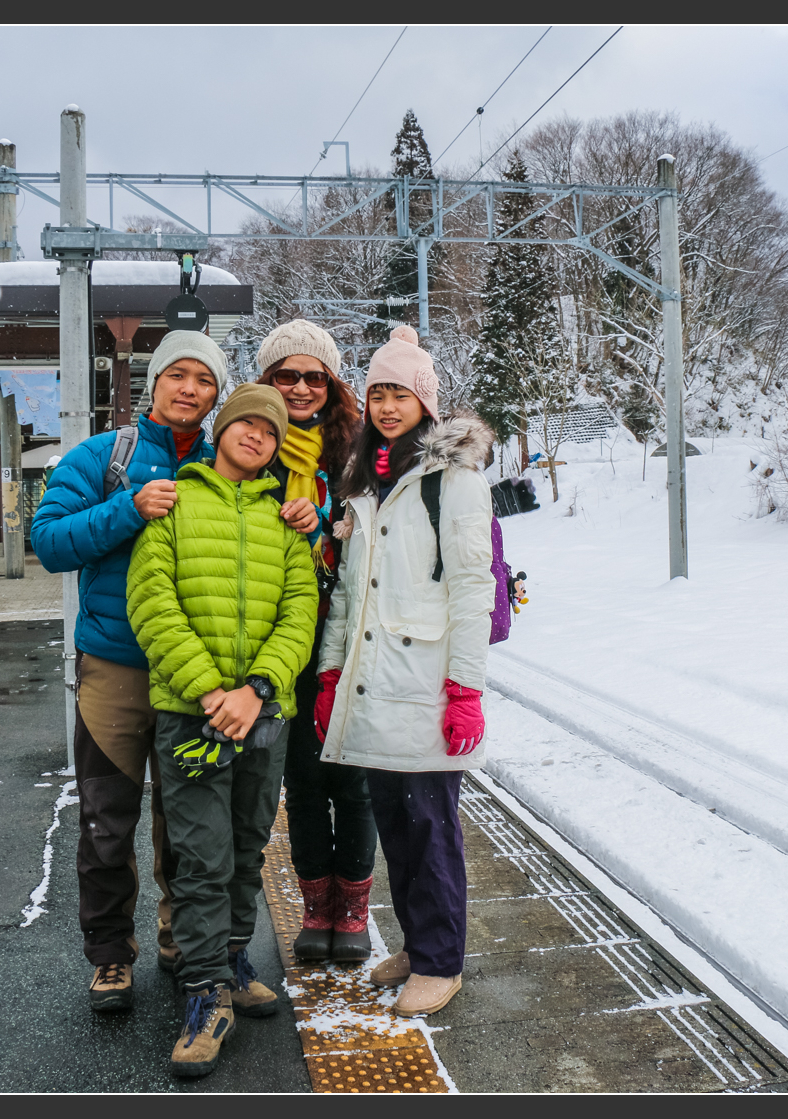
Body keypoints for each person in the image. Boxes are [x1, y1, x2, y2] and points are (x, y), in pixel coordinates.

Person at [31, 331, 319, 1013]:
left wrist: (311, 517)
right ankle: (109, 954)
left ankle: (184, 942)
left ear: (219, 400)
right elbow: (48, 540)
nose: (189, 389)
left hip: (210, 685)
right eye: (177, 375)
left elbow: (287, 564)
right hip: (120, 667)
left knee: (187, 826)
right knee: (108, 816)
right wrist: (127, 507)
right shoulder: (107, 456)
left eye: (204, 381)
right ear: (153, 383)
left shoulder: (246, 470)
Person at [127, 383, 318, 1077]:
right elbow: (152, 603)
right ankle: (203, 991)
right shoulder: (175, 502)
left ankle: (233, 961)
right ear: (223, 430)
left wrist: (259, 687)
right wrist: (212, 690)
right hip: (191, 713)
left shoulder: (287, 521)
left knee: (245, 849)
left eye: (270, 432)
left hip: (264, 714)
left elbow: (300, 610)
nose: (258, 437)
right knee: (201, 856)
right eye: (246, 424)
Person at [315, 325, 496, 1018]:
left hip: (425, 687)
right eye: (378, 393)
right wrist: (332, 677)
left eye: (401, 393)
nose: (388, 406)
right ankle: (421, 945)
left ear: (427, 400)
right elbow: (349, 595)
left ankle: (443, 960)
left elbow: (473, 588)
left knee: (431, 827)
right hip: (373, 684)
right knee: (396, 824)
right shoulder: (365, 477)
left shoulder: (453, 480)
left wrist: (465, 690)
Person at [252, 320, 379, 964]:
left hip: (348, 633)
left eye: (313, 377)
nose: (300, 388)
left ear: (332, 386)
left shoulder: (362, 452)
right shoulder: (249, 448)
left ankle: (352, 907)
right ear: (267, 383)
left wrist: (339, 524)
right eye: (286, 375)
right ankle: (316, 904)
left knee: (352, 776)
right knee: (301, 780)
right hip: (283, 635)